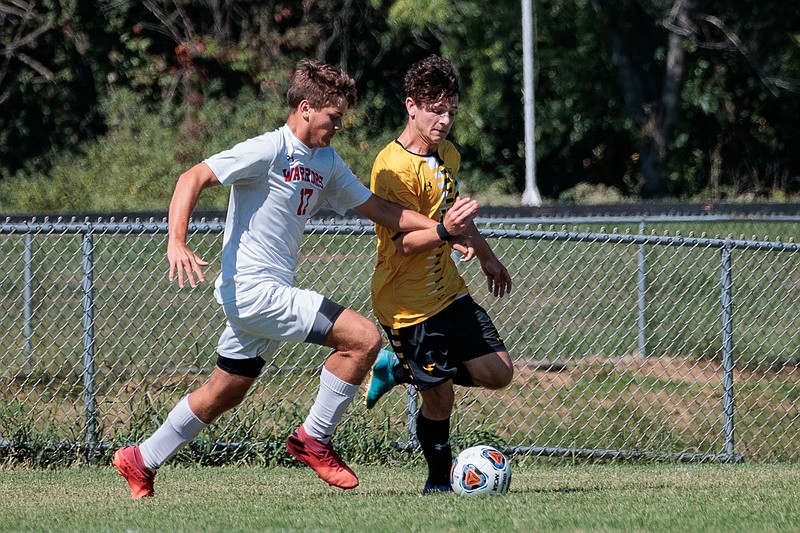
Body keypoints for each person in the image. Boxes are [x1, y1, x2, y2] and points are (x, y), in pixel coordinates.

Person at [112, 58, 480, 499]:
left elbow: (381, 210)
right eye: (334, 117)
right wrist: (176, 240)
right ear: (306, 108)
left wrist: (442, 231)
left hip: (264, 296)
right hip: (254, 291)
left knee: (223, 392)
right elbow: (192, 177)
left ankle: (141, 458)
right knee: (363, 338)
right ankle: (314, 438)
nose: (340, 126)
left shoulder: (325, 159)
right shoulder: (269, 149)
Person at [365, 55, 514, 494]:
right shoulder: (391, 168)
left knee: (499, 372)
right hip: (407, 305)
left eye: (451, 111)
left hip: (448, 291)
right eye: (436, 110)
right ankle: (438, 482)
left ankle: (401, 367)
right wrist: (446, 232)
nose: (445, 120)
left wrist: (486, 255)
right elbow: (402, 243)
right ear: (411, 106)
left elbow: (453, 218)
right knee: (440, 395)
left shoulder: (449, 155)